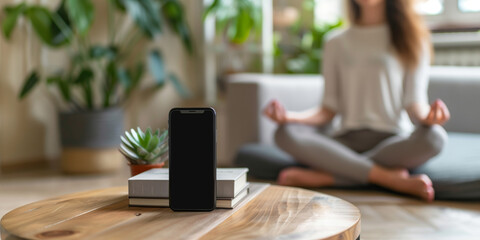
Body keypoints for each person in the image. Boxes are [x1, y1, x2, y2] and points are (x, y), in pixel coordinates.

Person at [263, 0, 450, 202]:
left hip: (392, 142)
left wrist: (429, 117)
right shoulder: (335, 42)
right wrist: (289, 117)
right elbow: (328, 109)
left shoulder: (412, 38)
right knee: (284, 133)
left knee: (435, 137)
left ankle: (332, 176)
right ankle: (388, 178)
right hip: (345, 141)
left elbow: (414, 103)